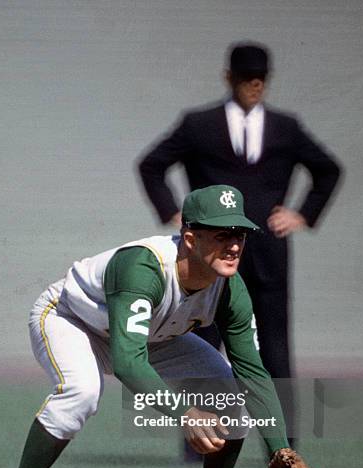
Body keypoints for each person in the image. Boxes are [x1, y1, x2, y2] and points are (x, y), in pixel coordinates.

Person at [0, 185, 301, 468]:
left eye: (240, 235)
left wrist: (281, 450)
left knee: (226, 394)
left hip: (151, 336)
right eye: (222, 235)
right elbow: (127, 362)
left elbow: (253, 372)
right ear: (189, 239)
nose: (234, 245)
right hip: (71, 319)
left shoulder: (230, 290)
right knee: (83, 391)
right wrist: (185, 413)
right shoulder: (144, 267)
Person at [137, 42, 342, 444]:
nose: (255, 85)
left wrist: (302, 214)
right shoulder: (199, 125)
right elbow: (151, 164)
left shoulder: (286, 127)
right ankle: (201, 438)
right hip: (207, 256)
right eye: (247, 77)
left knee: (275, 344)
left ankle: (283, 439)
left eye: (261, 78)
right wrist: (174, 212)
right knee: (203, 344)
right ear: (228, 77)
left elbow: (328, 169)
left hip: (266, 253)